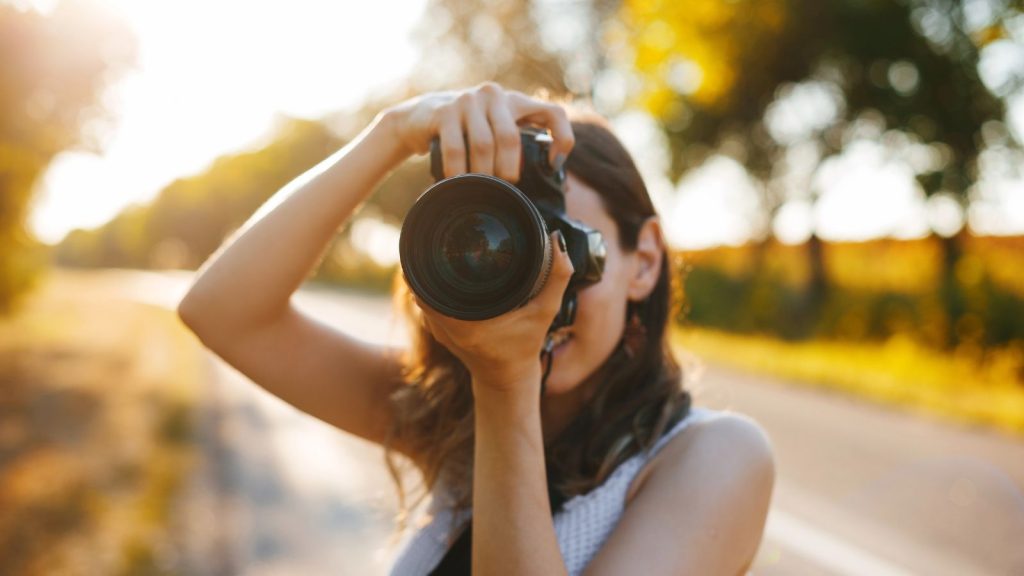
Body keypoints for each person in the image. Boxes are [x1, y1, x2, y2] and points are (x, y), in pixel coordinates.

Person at [177, 82, 775, 575]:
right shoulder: (449, 419)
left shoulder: (714, 456)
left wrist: (506, 381)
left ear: (643, 261)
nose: (541, 288)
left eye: (564, 248)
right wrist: (392, 133)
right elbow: (223, 311)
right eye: (501, 252)